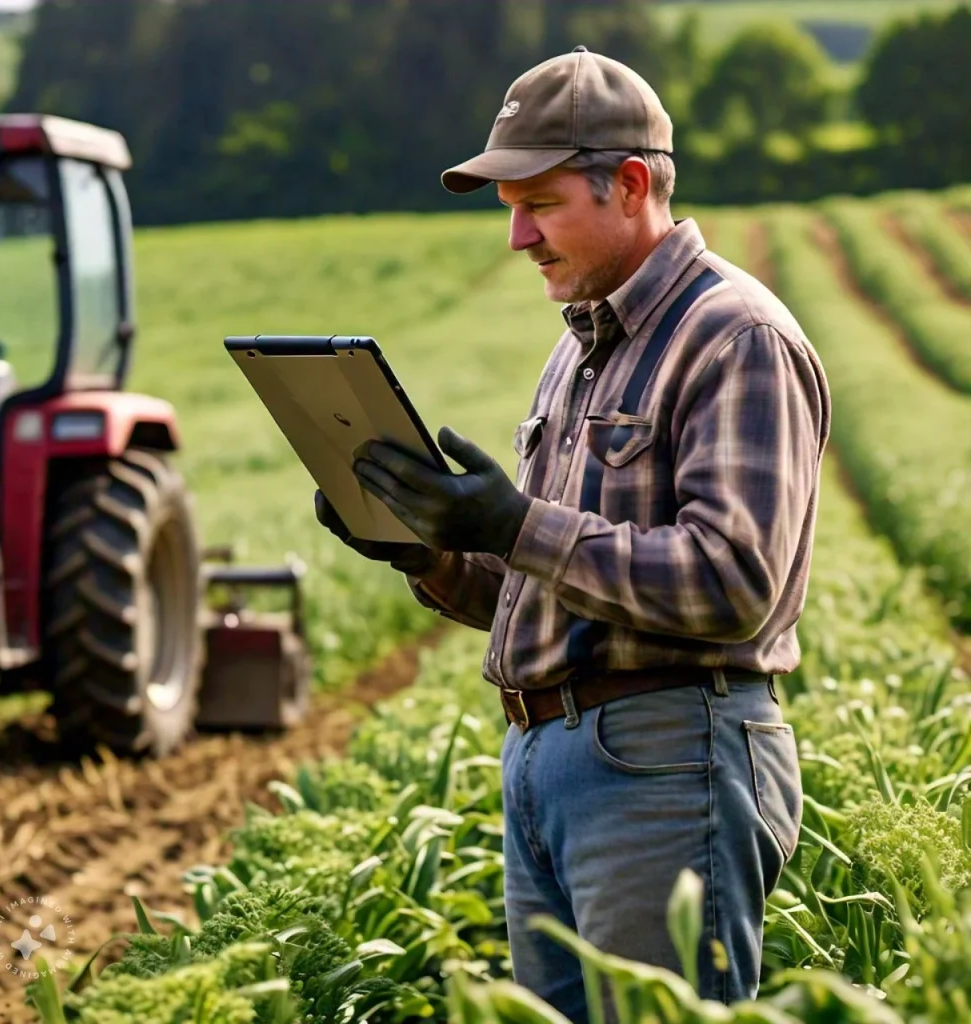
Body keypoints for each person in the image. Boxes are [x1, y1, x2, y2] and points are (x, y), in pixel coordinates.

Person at [314, 45, 831, 1020]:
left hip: (665, 757)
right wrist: (426, 549)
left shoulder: (735, 338)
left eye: (538, 203)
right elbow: (546, 582)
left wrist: (516, 522)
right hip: (551, 761)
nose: (516, 236)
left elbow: (733, 580)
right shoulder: (581, 349)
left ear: (628, 183)